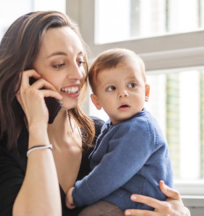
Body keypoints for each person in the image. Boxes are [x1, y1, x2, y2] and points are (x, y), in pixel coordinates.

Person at [0, 11, 190, 216]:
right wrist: (38, 128)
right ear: (23, 76)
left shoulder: (101, 134)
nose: (78, 74)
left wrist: (178, 211)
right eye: (59, 64)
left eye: (80, 61)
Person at [64, 48, 173, 216]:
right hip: (123, 199)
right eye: (111, 88)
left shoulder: (140, 129)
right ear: (96, 101)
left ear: (146, 92)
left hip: (136, 205)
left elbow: (109, 173)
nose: (123, 93)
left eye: (132, 85)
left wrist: (78, 194)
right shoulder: (113, 126)